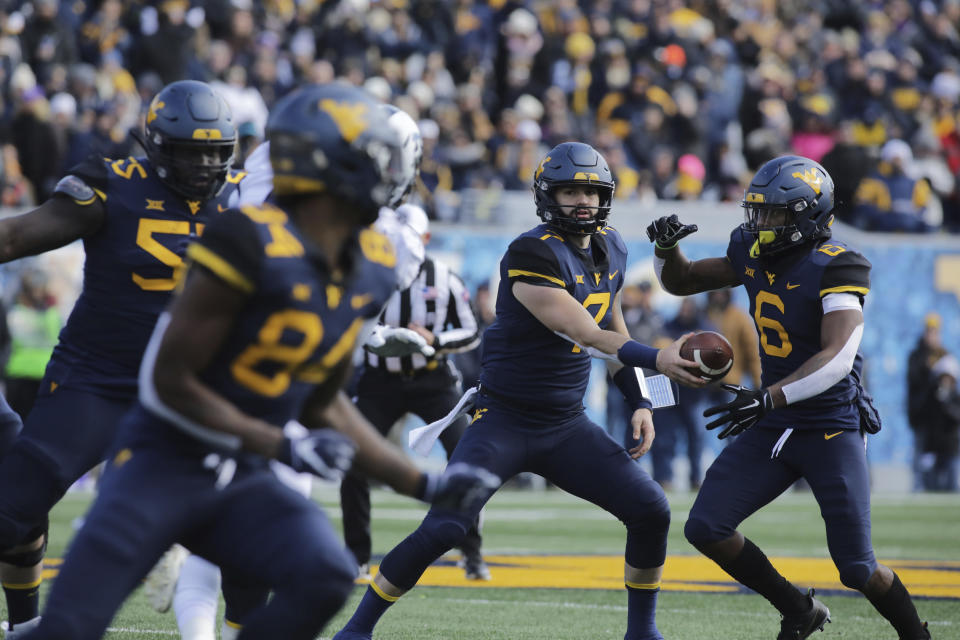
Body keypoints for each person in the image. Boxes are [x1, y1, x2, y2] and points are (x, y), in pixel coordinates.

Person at [21, 83, 498, 640]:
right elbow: (169, 381)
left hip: (242, 479)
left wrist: (423, 484)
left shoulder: (371, 261)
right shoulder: (245, 238)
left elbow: (323, 400)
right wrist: (283, 445)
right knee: (68, 630)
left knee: (324, 574)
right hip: (161, 466)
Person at [332, 141, 704, 640]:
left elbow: (616, 331)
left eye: (591, 191)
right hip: (503, 420)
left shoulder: (612, 245)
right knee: (446, 526)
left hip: (566, 425)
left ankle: (642, 633)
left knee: (651, 509)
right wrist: (660, 358)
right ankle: (357, 629)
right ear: (548, 195)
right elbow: (588, 334)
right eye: (570, 191)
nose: (582, 202)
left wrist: (642, 400)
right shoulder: (532, 252)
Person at [647, 155, 932, 640]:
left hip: (829, 424)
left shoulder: (839, 263)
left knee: (857, 567)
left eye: (774, 214)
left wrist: (768, 399)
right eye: (757, 211)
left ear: (807, 215)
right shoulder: (751, 249)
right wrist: (666, 250)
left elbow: (838, 357)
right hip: (776, 421)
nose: (760, 223)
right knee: (706, 527)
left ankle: (917, 636)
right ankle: (799, 609)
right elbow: (685, 280)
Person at [0, 79, 246, 638]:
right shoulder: (114, 183)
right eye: (191, 153)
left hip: (193, 390)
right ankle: (26, 626)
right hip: (97, 380)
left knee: (251, 539)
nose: (205, 166)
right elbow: (16, 238)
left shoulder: (246, 199)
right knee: (11, 518)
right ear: (157, 146)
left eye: (215, 152)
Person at [341, 201, 488, 582]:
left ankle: (471, 551)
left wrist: (434, 339)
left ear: (423, 240)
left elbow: (471, 331)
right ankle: (357, 555)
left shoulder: (444, 278)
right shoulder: (363, 272)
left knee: (465, 455)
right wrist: (372, 338)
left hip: (432, 379)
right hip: (379, 380)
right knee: (353, 457)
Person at [3, 269, 62, 421]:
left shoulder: (14, 313)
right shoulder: (51, 314)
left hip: (25, 373)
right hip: (34, 373)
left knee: (21, 423)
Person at [907, 313, 946, 491]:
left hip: (939, 418)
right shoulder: (917, 355)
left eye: (935, 331)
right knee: (919, 452)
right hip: (922, 414)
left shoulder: (944, 355)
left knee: (939, 455)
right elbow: (914, 380)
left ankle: (937, 486)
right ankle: (918, 486)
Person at [918, 353, 960, 492]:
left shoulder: (955, 397)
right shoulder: (932, 396)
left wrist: (946, 403)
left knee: (951, 487)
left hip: (950, 448)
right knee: (931, 487)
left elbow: (956, 418)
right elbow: (925, 415)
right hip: (933, 447)